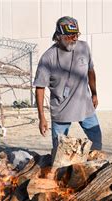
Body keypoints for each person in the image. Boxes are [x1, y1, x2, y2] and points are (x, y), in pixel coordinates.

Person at [33, 16, 102, 151]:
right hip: (61, 110)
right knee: (59, 150)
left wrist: (94, 94)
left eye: (76, 34)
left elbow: (90, 71)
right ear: (59, 36)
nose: (75, 38)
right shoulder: (48, 58)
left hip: (84, 104)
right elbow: (40, 88)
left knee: (97, 143)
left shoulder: (84, 47)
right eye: (70, 36)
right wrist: (42, 118)